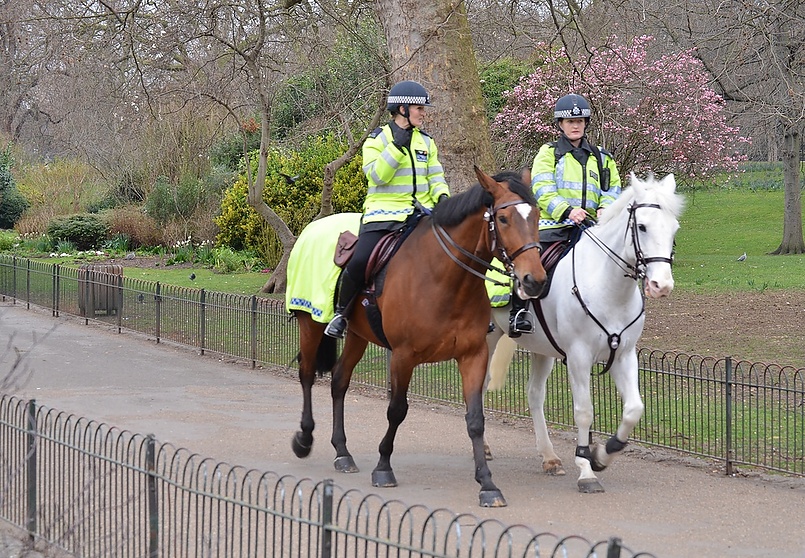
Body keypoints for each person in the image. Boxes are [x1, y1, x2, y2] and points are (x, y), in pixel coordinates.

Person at [324, 80, 451, 339]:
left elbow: (435, 177)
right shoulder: (377, 140)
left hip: (422, 216)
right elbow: (377, 176)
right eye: (419, 108)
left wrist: (442, 197)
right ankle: (340, 314)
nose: (424, 113)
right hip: (383, 216)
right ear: (402, 109)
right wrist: (397, 146)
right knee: (359, 260)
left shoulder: (427, 142)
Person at [508, 93, 622, 337]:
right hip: (554, 226)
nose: (575, 125)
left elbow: (612, 189)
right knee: (536, 264)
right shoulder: (548, 153)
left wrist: (606, 208)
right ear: (560, 124)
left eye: (580, 121)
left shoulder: (602, 157)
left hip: (592, 228)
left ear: (586, 123)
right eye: (570, 122)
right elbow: (542, 188)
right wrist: (567, 210)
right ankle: (520, 312)